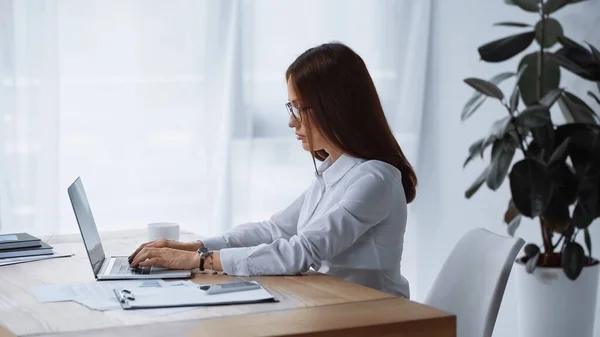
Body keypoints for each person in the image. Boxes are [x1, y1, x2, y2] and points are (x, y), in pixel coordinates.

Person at [129, 42, 417, 298]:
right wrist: (193, 247)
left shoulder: (375, 179)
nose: (292, 123)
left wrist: (200, 261)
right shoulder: (334, 172)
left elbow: (301, 252)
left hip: (376, 318)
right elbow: (275, 230)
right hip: (330, 304)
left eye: (298, 109)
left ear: (333, 108)